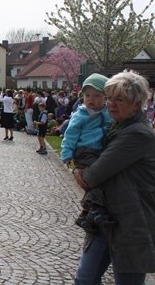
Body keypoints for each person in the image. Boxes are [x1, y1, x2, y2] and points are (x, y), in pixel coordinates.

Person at [73, 70, 155, 284]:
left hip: (130, 223)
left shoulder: (136, 133)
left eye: (119, 99)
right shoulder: (114, 128)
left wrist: (78, 170)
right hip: (105, 220)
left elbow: (92, 176)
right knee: (85, 279)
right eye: (109, 98)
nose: (111, 104)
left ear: (136, 103)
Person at [61, 73, 113, 232]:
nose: (91, 99)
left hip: (98, 151)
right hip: (84, 151)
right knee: (95, 178)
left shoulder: (105, 112)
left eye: (97, 96)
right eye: (87, 95)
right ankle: (95, 209)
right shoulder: (81, 114)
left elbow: (110, 124)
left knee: (100, 179)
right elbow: (70, 134)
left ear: (105, 97)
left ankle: (86, 215)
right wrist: (67, 154)